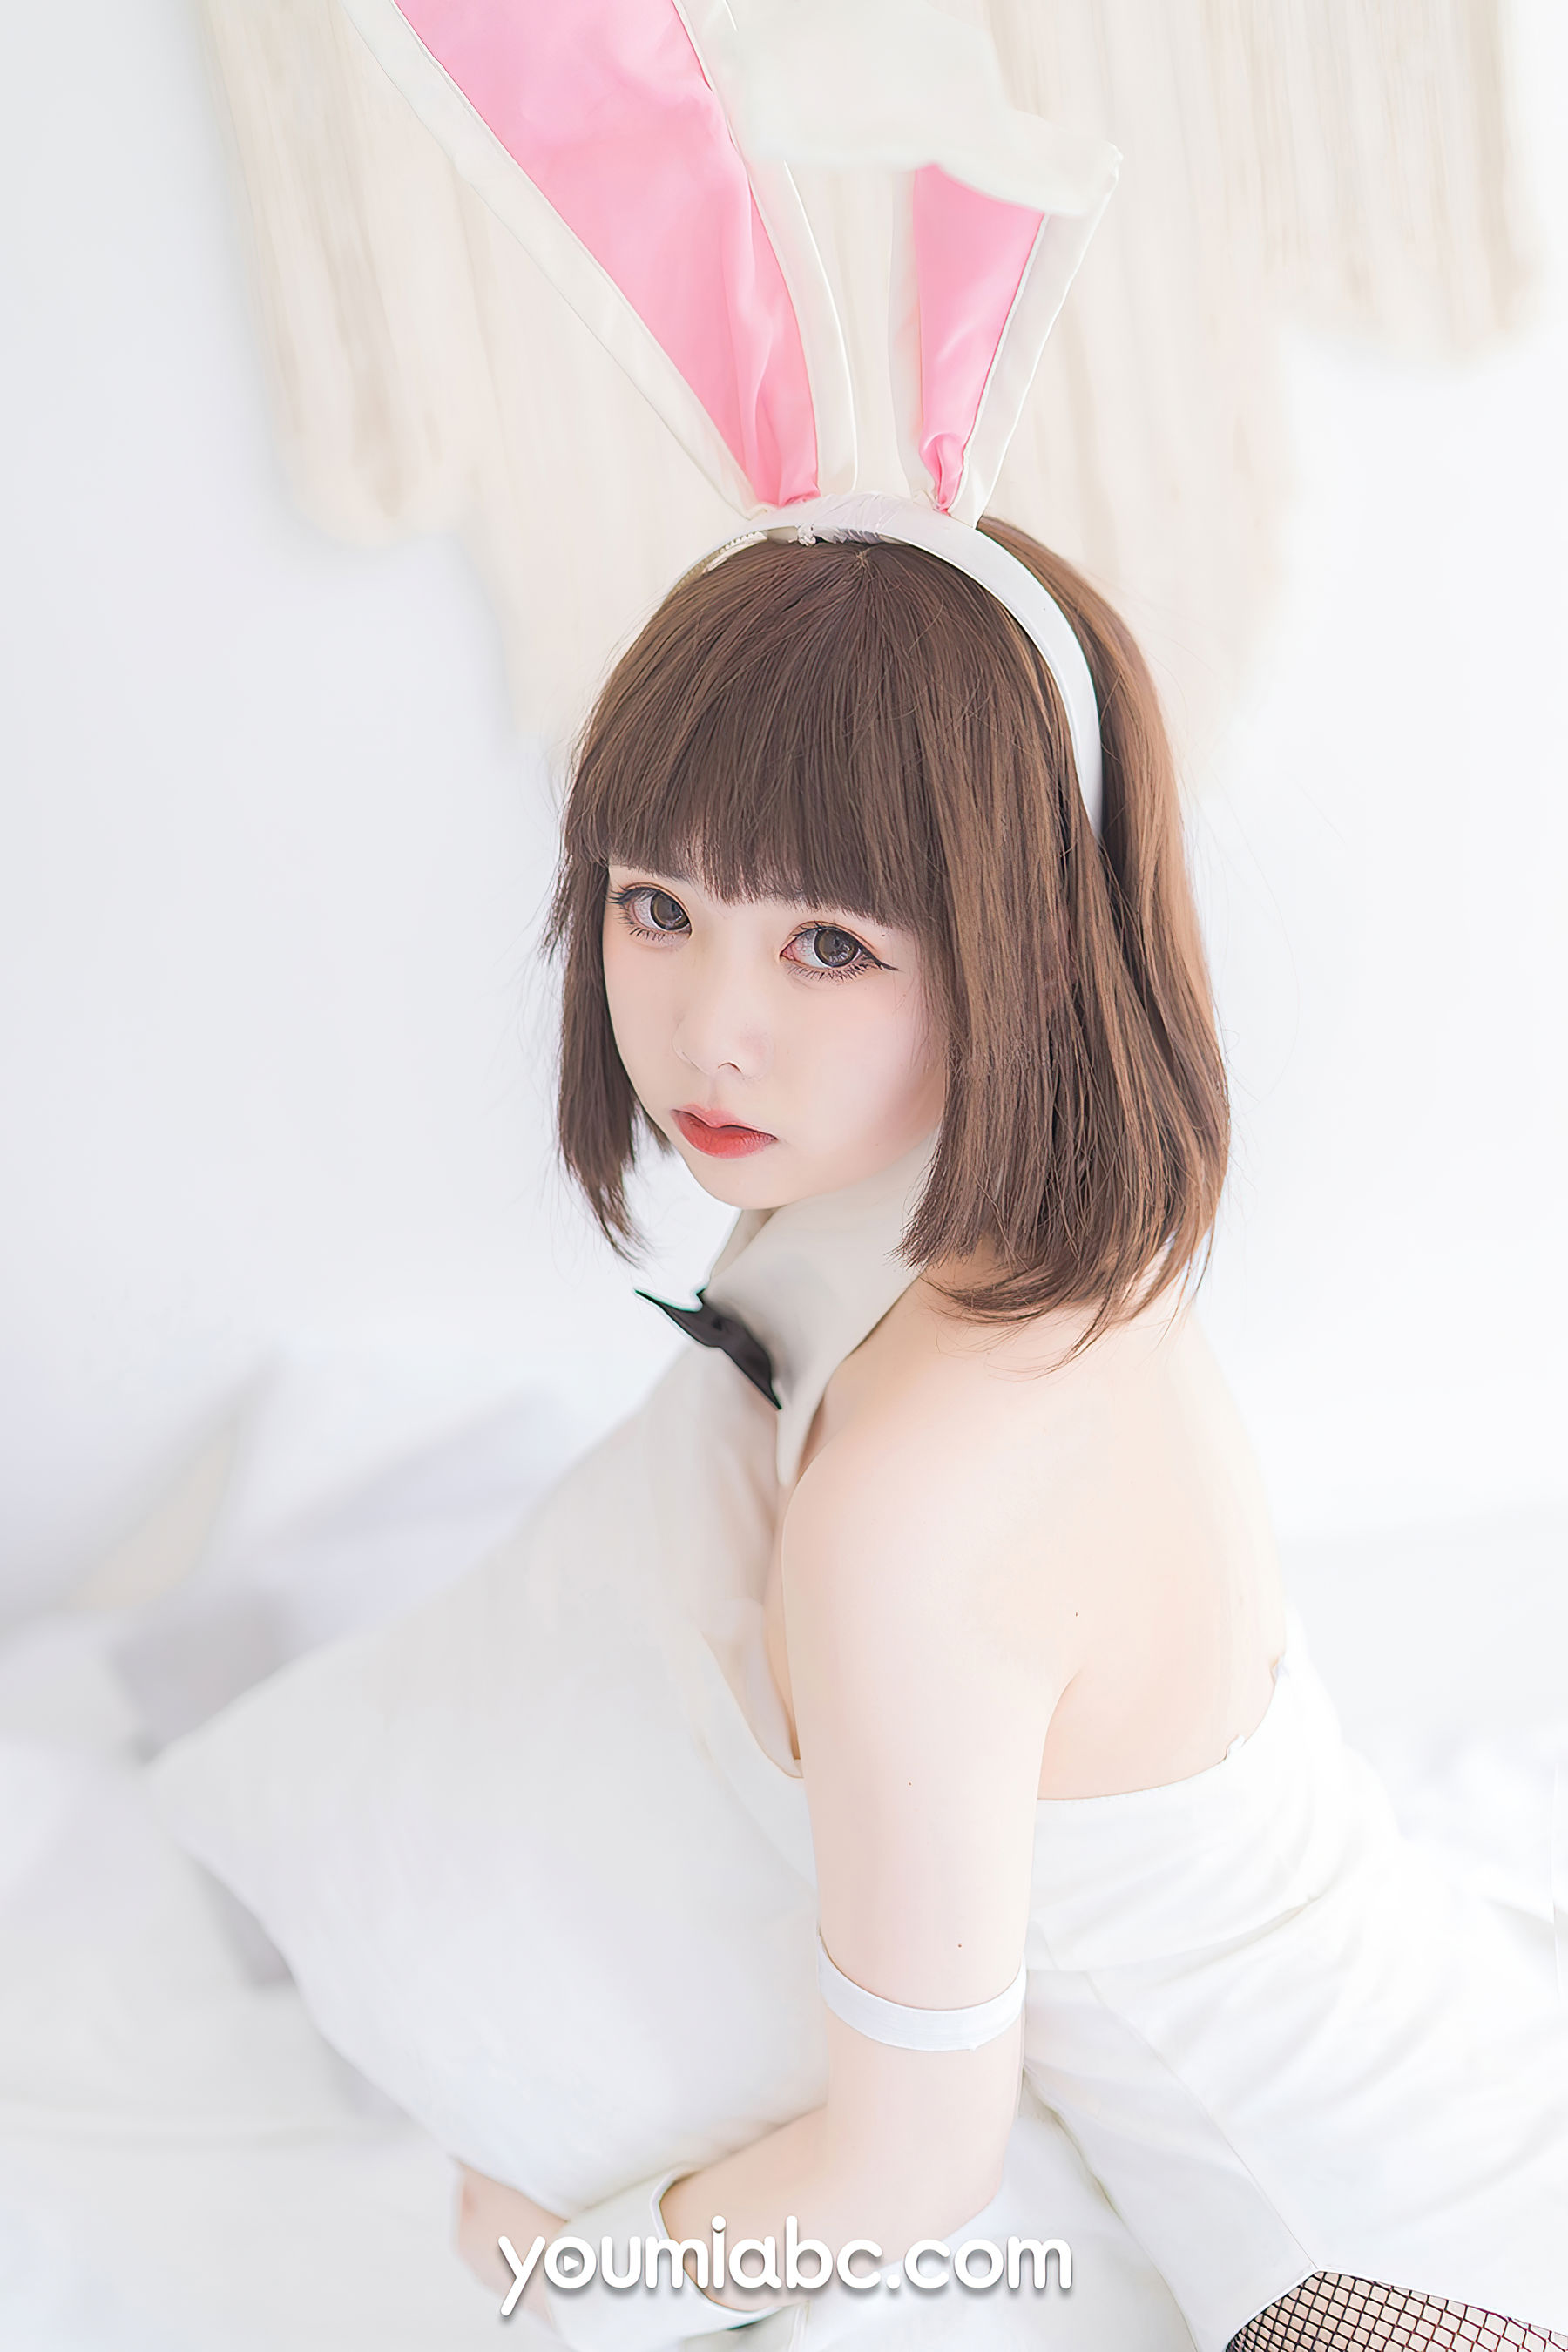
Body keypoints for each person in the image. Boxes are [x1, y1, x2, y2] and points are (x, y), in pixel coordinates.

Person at [448, 515, 1568, 2352]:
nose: (711, 1030)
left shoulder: (922, 1492)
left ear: (1023, 953)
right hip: (1484, 2063)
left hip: (1394, 2272)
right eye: (658, 906)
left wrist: (564, 2272)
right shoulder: (1051, 1261)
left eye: (827, 942)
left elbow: (905, 2171)